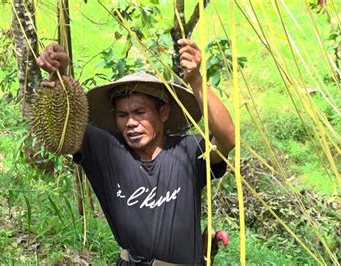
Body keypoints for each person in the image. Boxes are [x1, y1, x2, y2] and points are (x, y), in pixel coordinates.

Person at [36, 39, 235, 265]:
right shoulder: (108, 151)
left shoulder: (188, 151)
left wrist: (196, 80)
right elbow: (62, 131)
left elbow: (227, 137)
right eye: (122, 115)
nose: (131, 122)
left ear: (163, 113)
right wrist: (59, 76)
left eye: (140, 112)